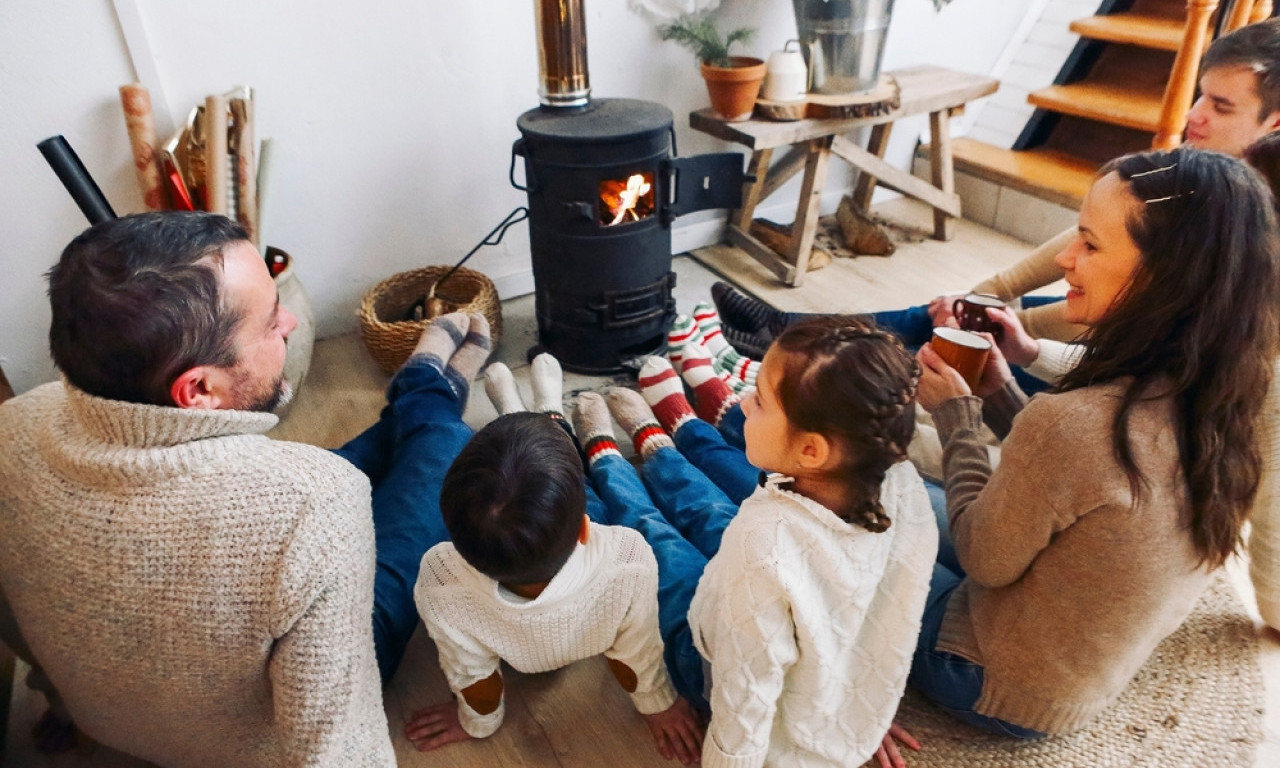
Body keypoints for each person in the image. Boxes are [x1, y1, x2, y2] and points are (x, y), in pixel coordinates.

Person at [0, 212, 491, 766]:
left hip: (105, 712)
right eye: (270, 322)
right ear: (199, 390)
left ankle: (423, 392)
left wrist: (59, 697)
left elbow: (13, 619)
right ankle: (431, 391)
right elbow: (335, 750)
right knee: (448, 447)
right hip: (258, 735)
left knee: (360, 465)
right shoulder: (313, 502)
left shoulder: (13, 423)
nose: (291, 323)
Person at [908, 146, 1280, 736]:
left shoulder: (1080, 422)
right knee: (901, 494)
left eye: (1089, 243)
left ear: (1163, 279)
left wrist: (957, 417)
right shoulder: (1228, 398)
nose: (1064, 258)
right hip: (1073, 670)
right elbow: (1068, 480)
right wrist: (1000, 391)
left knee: (850, 508)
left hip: (986, 676)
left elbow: (984, 557)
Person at [708, 17, 1280, 356]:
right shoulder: (1202, 167)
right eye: (1200, 95)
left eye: (1221, 106)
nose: (1194, 115)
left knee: (959, 335)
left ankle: (813, 354)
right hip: (1110, 320)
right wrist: (986, 295)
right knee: (948, 312)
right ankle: (796, 332)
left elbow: (1122, 316)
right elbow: (1088, 236)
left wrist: (992, 325)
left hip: (1140, 358)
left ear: (1275, 123)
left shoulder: (1252, 230)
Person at [573, 316, 940, 768]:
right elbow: (893, 619)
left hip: (706, 652)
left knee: (656, 544)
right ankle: (655, 440)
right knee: (712, 513)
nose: (744, 403)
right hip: (761, 582)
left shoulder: (763, 547)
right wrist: (864, 709)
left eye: (760, 400)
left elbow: (744, 694)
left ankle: (602, 454)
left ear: (811, 451)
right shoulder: (902, 487)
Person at [405, 409, 704, 764]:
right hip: (593, 555)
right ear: (584, 529)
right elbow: (638, 646)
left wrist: (478, 723)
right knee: (601, 502)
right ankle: (560, 422)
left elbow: (471, 673)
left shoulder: (440, 577)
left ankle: (550, 416)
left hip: (514, 581)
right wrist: (656, 702)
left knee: (547, 499)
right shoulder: (628, 557)